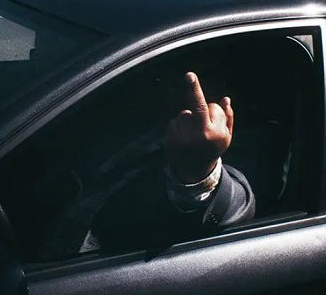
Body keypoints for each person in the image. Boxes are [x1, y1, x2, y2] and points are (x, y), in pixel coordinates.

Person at [57, 71, 256, 255]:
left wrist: (197, 169)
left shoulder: (235, 143)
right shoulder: (123, 116)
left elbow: (236, 207)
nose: (169, 82)